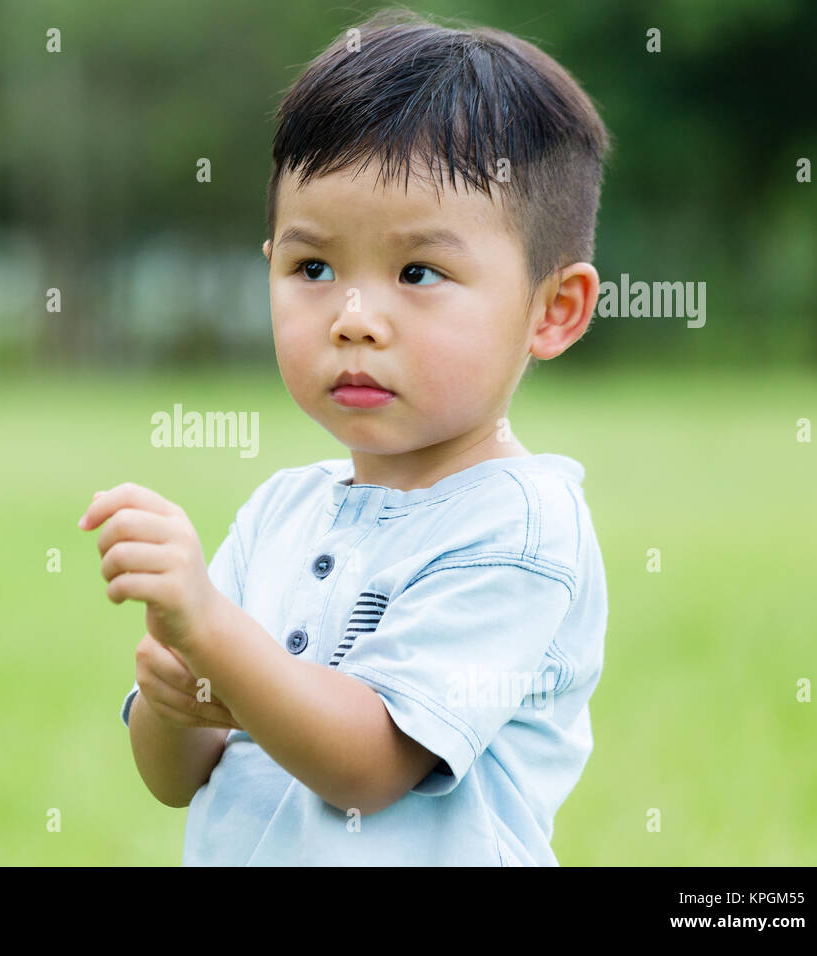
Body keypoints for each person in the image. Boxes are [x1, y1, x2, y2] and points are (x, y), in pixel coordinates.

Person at [79, 7, 611, 865]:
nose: (354, 320)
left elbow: (368, 765)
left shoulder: (520, 527)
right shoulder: (281, 510)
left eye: (418, 273)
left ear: (553, 310)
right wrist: (173, 696)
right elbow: (178, 777)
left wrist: (212, 628)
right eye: (313, 268)